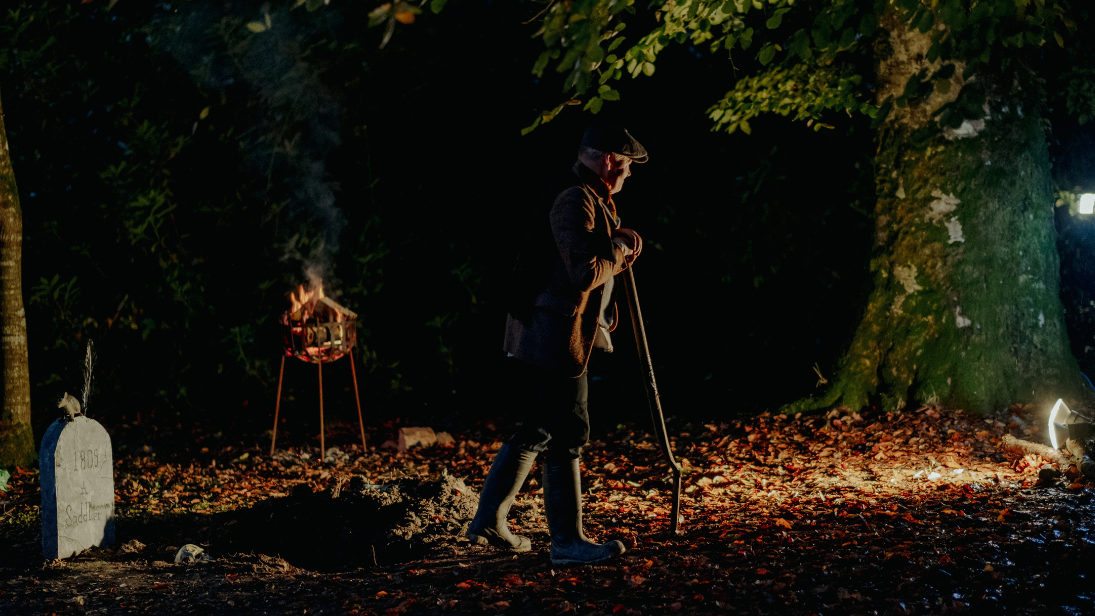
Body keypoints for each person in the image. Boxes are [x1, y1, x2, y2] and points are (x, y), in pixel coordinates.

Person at [466, 122, 647, 565]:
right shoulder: (574, 198)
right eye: (626, 166)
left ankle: (488, 522)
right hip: (551, 334)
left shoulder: (587, 196)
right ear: (609, 161)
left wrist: (616, 242)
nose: (628, 175)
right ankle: (567, 543)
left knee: (537, 426)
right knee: (568, 430)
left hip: (544, 330)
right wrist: (620, 252)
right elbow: (584, 272)